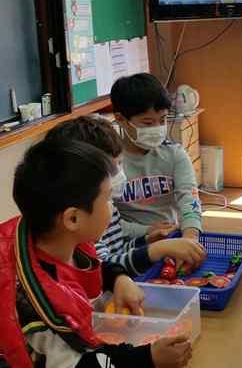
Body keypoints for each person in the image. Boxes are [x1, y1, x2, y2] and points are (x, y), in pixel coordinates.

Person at [0, 139, 192, 368]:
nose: (112, 207)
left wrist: (118, 278)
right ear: (73, 218)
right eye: (108, 199)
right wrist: (147, 359)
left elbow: (88, 268)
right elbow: (79, 365)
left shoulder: (55, 238)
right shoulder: (37, 307)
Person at [45, 116, 206, 277]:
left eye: (121, 164)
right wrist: (155, 250)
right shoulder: (85, 225)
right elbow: (105, 271)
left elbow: (117, 249)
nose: (120, 175)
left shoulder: (103, 206)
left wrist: (146, 241)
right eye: (113, 169)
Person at [110, 73, 203, 243]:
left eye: (163, 120)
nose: (158, 128)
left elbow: (189, 198)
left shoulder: (174, 154)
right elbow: (106, 222)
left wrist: (191, 235)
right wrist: (146, 231)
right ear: (120, 119)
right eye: (147, 123)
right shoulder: (110, 162)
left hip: (171, 236)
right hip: (129, 242)